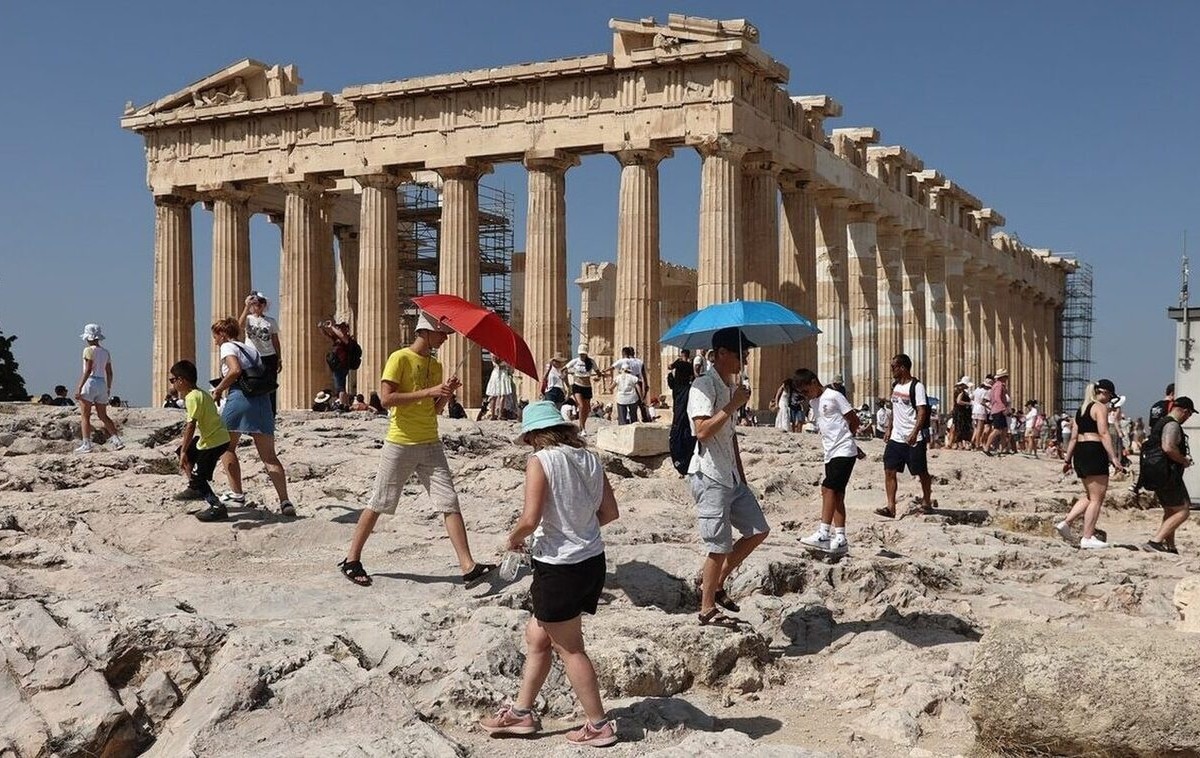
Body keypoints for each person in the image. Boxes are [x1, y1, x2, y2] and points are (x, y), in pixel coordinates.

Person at [479, 401, 620, 747]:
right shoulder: (590, 458)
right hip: (591, 560)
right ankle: (521, 713)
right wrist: (579, 530)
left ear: (533, 436)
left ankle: (599, 725)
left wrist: (510, 540)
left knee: (570, 649)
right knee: (538, 636)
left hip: (560, 567)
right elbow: (611, 512)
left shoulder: (540, 461)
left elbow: (530, 519)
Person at [337, 310, 495, 588]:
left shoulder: (436, 366)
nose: (446, 338)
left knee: (450, 502)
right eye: (442, 333)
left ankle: (468, 566)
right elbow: (386, 399)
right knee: (379, 502)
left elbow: (432, 410)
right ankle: (351, 560)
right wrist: (429, 391)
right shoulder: (400, 358)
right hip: (400, 442)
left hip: (430, 442)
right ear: (426, 331)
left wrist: (444, 397)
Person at [686, 327, 770, 627]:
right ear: (721, 354)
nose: (744, 359)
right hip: (709, 475)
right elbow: (703, 430)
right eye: (741, 354)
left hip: (731, 476)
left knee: (759, 529)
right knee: (718, 546)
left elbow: (729, 434)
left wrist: (743, 476)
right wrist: (733, 405)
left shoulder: (727, 385)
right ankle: (706, 608)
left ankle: (718, 582)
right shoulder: (702, 385)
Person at [207, 318, 293, 519]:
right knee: (269, 457)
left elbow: (236, 370)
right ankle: (285, 501)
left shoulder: (227, 346)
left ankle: (237, 494)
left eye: (215, 336)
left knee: (225, 446)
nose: (214, 341)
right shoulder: (250, 349)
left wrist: (219, 389)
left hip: (240, 397)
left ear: (221, 334)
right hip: (262, 400)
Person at [795, 368, 864, 554]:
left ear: (813, 381)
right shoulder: (814, 402)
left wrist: (849, 440)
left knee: (828, 489)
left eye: (805, 390)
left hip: (843, 449)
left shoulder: (834, 395)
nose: (804, 395)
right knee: (837, 494)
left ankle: (824, 533)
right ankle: (840, 538)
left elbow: (853, 420)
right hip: (830, 452)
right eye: (801, 393)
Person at [1056, 379, 1126, 549]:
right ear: (1103, 393)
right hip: (1094, 450)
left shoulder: (1081, 410)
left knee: (1090, 496)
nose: (1110, 400)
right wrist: (1114, 458)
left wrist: (1067, 460)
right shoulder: (1099, 407)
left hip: (1080, 451)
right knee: (1097, 498)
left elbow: (1073, 437)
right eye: (1110, 396)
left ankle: (1066, 523)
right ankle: (1087, 537)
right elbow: (1103, 433)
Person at [169, 360, 232, 512]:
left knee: (198, 475)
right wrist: (184, 450)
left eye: (173, 380)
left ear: (181, 380)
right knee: (186, 451)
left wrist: (184, 451)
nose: (172, 384)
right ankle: (194, 487)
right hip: (218, 437)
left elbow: (191, 426)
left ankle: (216, 506)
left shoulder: (192, 397)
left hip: (214, 441)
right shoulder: (202, 393)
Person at [878, 353, 933, 518]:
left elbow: (922, 411)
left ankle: (927, 501)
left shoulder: (917, 387)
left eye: (893, 367)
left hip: (913, 438)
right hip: (896, 437)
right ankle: (890, 507)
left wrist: (915, 432)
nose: (892, 370)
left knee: (921, 471)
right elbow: (895, 409)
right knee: (889, 470)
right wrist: (889, 428)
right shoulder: (895, 386)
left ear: (902, 367)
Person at [1144, 396, 1195, 553]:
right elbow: (1168, 447)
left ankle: (1170, 546)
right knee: (1183, 510)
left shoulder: (1160, 423)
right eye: (1190, 414)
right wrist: (1183, 460)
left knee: (1170, 510)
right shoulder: (1172, 424)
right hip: (1167, 473)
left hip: (1158, 472)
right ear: (1185, 411)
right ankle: (1155, 541)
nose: (1188, 418)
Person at [73, 324, 124, 453]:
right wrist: (108, 387)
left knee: (85, 416)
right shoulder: (106, 352)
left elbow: (88, 369)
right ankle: (116, 440)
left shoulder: (88, 350)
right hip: (102, 382)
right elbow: (110, 372)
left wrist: (79, 386)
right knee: (103, 415)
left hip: (90, 382)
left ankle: (86, 444)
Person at [239, 292, 282, 416]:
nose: (257, 306)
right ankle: (252, 413)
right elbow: (239, 326)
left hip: (269, 356)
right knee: (251, 384)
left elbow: (275, 340)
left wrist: (279, 358)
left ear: (264, 305)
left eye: (260, 303)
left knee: (270, 386)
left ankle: (270, 414)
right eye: (255, 303)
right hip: (252, 357)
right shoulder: (248, 319)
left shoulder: (270, 321)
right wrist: (246, 307)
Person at [319, 320, 358, 410]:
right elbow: (327, 336)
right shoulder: (337, 339)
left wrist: (332, 327)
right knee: (340, 386)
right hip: (337, 365)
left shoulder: (347, 339)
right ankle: (345, 405)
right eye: (338, 327)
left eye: (341, 327)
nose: (339, 328)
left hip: (342, 365)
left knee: (340, 386)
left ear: (346, 329)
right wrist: (322, 328)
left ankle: (342, 406)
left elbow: (343, 337)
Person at [609, 347, 651, 422]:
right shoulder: (639, 361)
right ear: (634, 352)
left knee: (626, 402)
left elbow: (613, 368)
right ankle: (644, 418)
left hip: (627, 382)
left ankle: (625, 420)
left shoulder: (624, 361)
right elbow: (643, 374)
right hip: (637, 381)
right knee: (639, 403)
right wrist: (646, 385)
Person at [563, 345, 599, 435]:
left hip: (587, 386)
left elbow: (598, 373)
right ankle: (583, 428)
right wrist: (565, 376)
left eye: (583, 354)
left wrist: (598, 377)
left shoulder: (591, 362)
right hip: (577, 386)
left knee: (587, 409)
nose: (582, 355)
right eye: (580, 354)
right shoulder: (575, 361)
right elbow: (564, 369)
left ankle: (581, 425)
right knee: (581, 406)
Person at [971, 375, 993, 449]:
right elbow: (983, 402)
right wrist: (990, 407)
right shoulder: (987, 391)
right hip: (981, 409)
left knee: (977, 427)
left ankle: (973, 442)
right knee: (980, 428)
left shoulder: (977, 389)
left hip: (975, 408)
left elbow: (972, 397)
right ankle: (977, 444)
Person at [952, 377, 973, 450]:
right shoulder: (961, 392)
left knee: (958, 427)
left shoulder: (957, 391)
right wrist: (969, 403)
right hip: (961, 412)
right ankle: (961, 443)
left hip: (958, 411)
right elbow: (959, 401)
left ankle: (958, 443)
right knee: (962, 427)